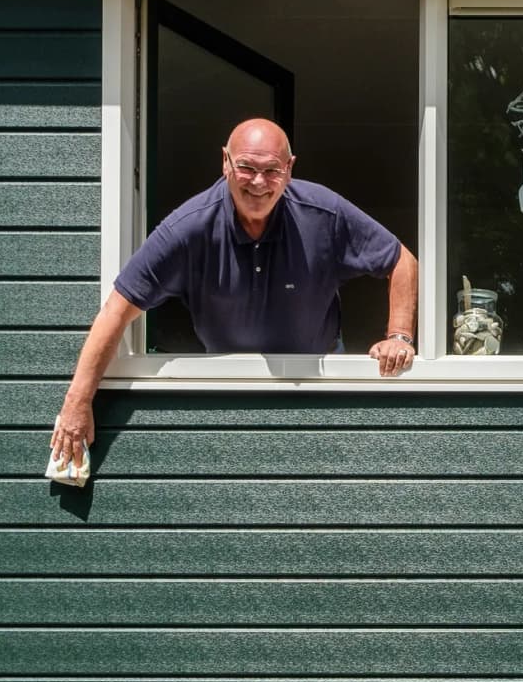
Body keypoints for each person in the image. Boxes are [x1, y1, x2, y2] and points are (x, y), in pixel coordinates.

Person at [49, 118, 418, 473]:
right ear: (225, 161)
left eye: (272, 170)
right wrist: (78, 402)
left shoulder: (323, 213)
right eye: (246, 167)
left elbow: (401, 260)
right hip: (227, 382)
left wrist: (398, 336)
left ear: (289, 169)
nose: (259, 182)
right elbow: (116, 309)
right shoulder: (188, 228)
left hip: (318, 377)